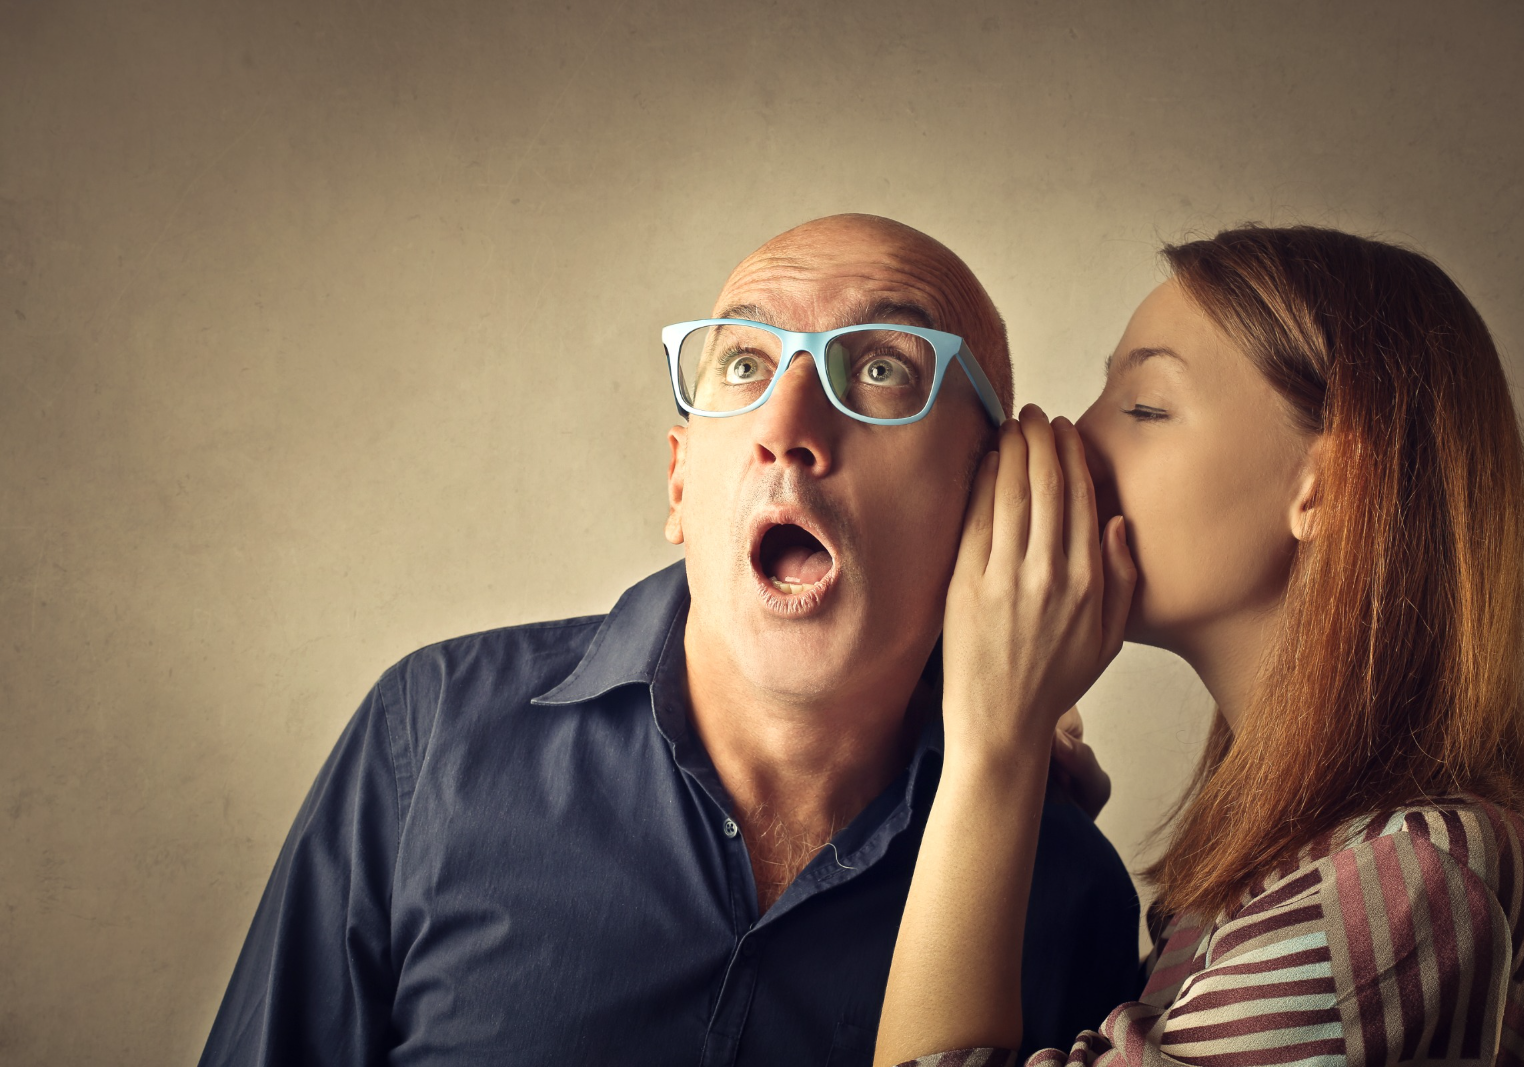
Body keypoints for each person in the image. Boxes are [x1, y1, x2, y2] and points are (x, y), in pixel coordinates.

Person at [199, 214, 1143, 1067]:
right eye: (743, 363)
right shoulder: (430, 733)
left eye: (883, 367)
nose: (785, 425)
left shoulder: (1062, 892)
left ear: (991, 500)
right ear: (681, 482)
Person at [875, 225, 1524, 1066]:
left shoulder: (1409, 883)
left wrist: (992, 748)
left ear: (1328, 489)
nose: (1073, 434)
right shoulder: (1285, 868)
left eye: (1146, 407)